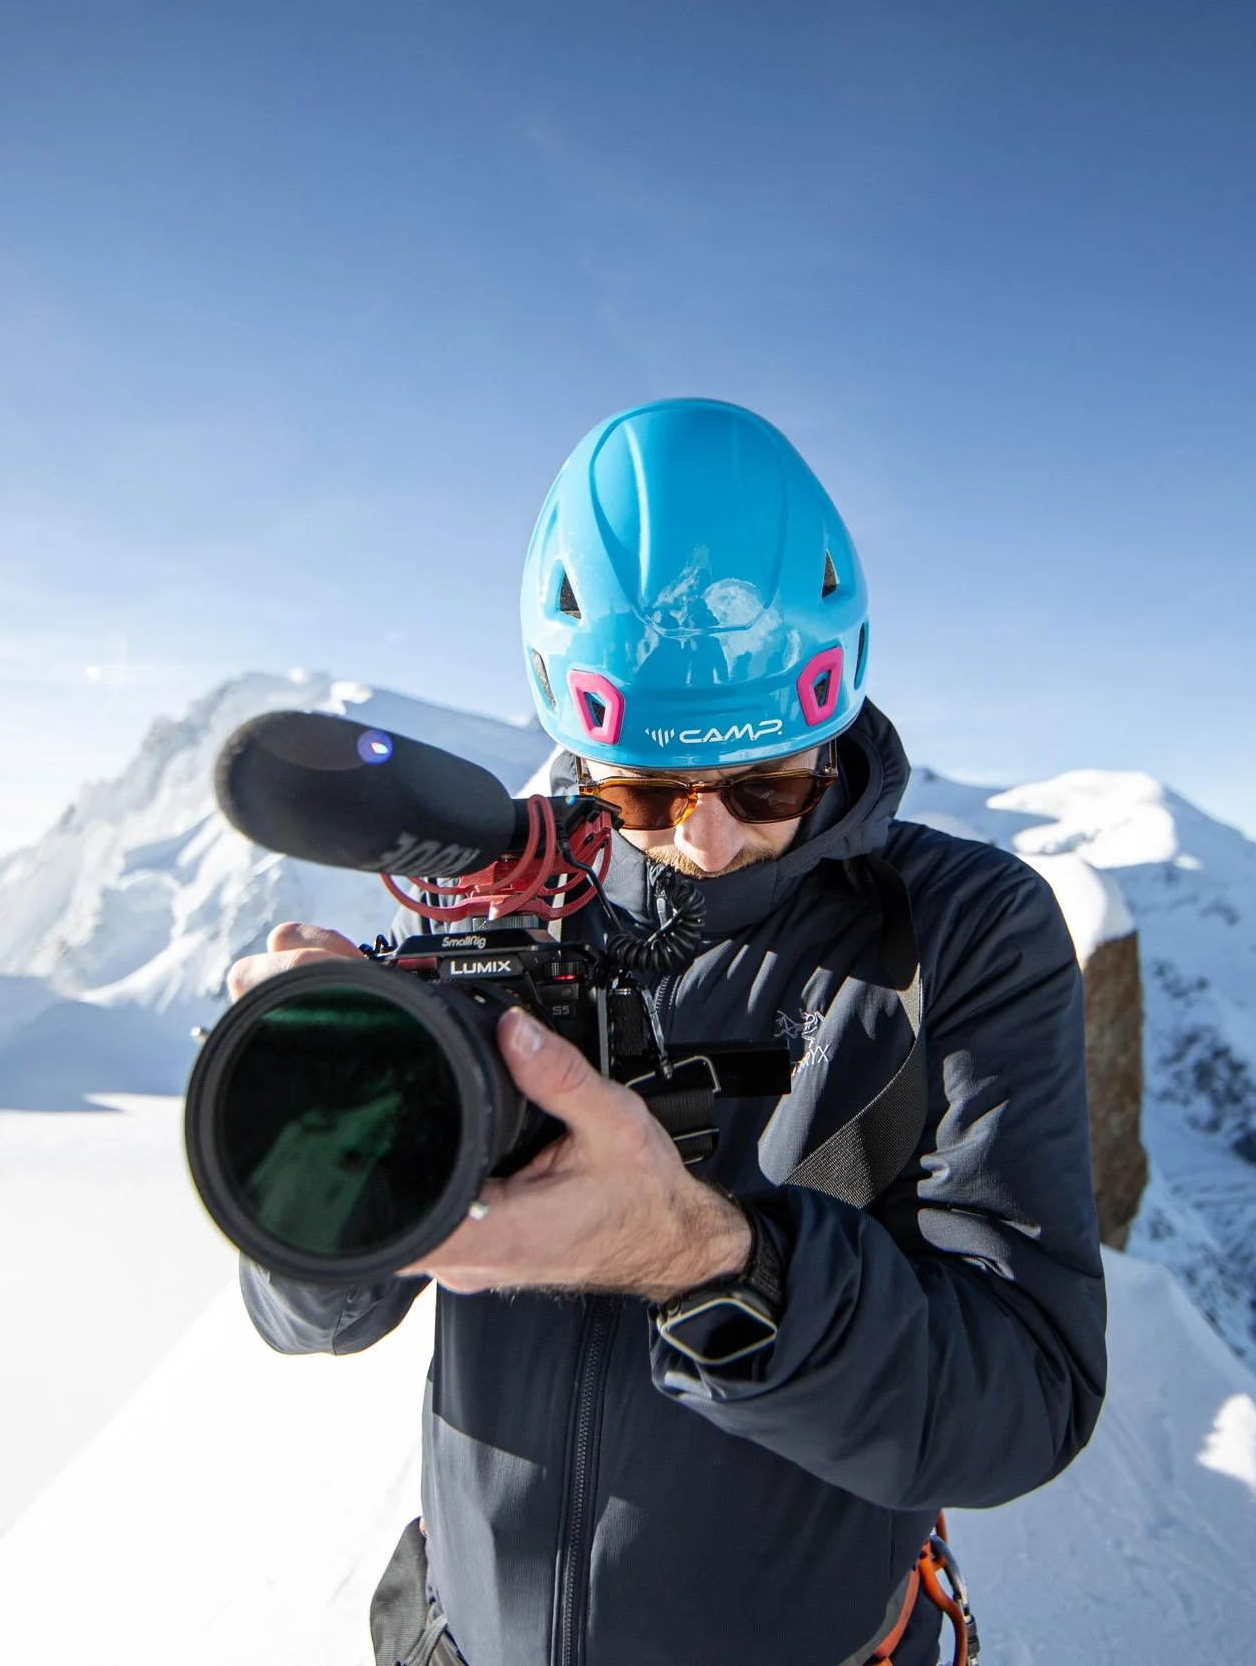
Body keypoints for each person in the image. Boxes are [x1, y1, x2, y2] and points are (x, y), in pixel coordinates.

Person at [225, 398, 1107, 1666]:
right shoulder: (498, 911)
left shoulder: (959, 929)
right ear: (580, 750)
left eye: (766, 786)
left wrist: (707, 1258)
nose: (702, 839)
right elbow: (306, 1318)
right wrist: (320, 1140)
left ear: (835, 711)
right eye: (644, 792)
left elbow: (1024, 1398)